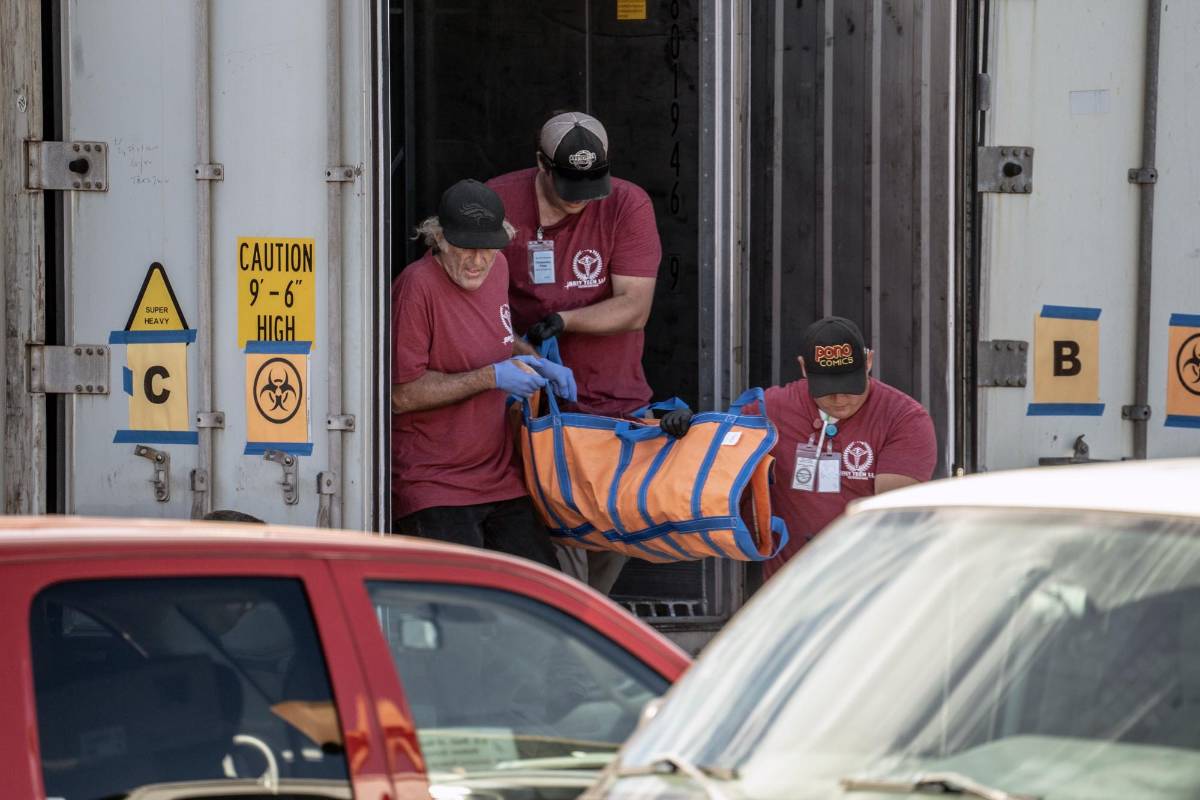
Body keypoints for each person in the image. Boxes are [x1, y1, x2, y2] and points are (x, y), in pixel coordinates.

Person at [487, 110, 662, 594]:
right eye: (569, 186)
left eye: (591, 185)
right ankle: (562, 621)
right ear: (541, 164)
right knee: (547, 532)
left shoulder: (627, 203)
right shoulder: (499, 201)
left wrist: (566, 321)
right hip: (529, 402)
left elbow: (635, 306)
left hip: (611, 400)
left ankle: (583, 619)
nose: (581, 199)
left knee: (613, 529)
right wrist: (524, 350)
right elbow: (473, 304)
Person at [660, 316, 937, 581]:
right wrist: (688, 428)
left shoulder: (904, 419)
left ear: (868, 362)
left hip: (868, 584)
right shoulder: (772, 409)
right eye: (827, 388)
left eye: (850, 385)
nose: (840, 398)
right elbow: (716, 449)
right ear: (804, 368)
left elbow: (894, 516)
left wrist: (840, 549)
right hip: (790, 588)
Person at [391, 179, 576, 567]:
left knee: (542, 585)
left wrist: (537, 361)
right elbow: (401, 394)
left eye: (488, 249)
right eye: (466, 249)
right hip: (434, 481)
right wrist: (490, 377)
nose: (477, 261)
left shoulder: (498, 268)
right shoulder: (416, 286)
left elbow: (498, 333)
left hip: (497, 475)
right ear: (440, 239)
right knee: (463, 597)